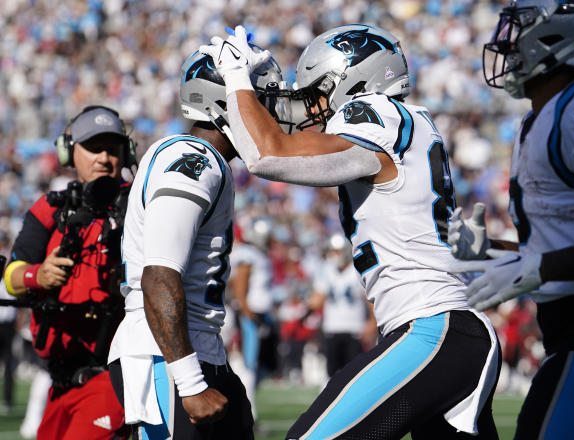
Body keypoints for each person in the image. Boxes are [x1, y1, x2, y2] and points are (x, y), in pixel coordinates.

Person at [201, 24, 501, 439]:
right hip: (444, 331)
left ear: (354, 80)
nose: (314, 108)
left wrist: (236, 80)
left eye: (318, 93)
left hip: (433, 328)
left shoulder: (376, 112)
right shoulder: (409, 123)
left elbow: (266, 154)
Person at [448, 0, 574, 437]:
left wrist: (542, 267)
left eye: (522, 29)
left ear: (562, 35)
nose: (508, 42)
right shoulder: (549, 112)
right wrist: (497, 253)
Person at [107, 45, 285, 440]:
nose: (270, 114)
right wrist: (190, 383)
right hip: (166, 357)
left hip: (194, 348)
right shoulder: (194, 159)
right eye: (261, 101)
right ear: (226, 105)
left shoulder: (206, 161)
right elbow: (158, 274)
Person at [2, 105, 136, 439]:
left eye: (113, 149)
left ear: (126, 154)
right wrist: (38, 276)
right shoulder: (50, 208)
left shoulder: (141, 207)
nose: (104, 158)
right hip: (60, 381)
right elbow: (12, 276)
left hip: (113, 374)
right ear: (68, 152)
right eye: (93, 148)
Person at [228, 217, 278, 421]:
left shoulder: (257, 255)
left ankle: (247, 410)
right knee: (250, 364)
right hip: (252, 316)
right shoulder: (248, 256)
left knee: (264, 364)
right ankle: (248, 414)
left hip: (260, 315)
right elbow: (240, 290)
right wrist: (249, 314)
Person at [306, 233, 376, 378]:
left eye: (336, 251)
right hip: (332, 328)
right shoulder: (326, 269)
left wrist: (372, 322)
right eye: (332, 251)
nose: (333, 255)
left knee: (353, 374)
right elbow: (317, 300)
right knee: (331, 374)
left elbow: (369, 300)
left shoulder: (356, 270)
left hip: (354, 329)